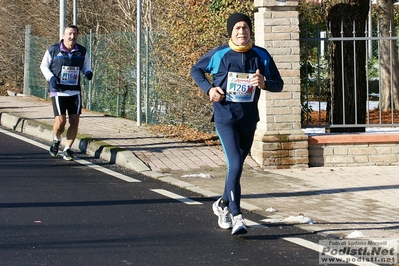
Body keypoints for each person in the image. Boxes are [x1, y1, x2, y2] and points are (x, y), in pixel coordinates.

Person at [190, 13, 283, 235]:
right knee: (236, 165)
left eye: (245, 28)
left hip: (249, 120)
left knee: (236, 167)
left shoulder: (261, 55)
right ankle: (237, 214)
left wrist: (264, 83)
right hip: (225, 118)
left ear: (251, 31)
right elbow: (196, 70)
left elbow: (278, 84)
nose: (242, 32)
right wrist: (210, 89)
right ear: (231, 32)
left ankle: (221, 204)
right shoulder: (220, 54)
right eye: (237, 29)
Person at [40, 25, 93, 161]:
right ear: (63, 35)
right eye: (69, 34)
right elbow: (44, 66)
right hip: (58, 91)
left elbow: (86, 65)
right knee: (61, 121)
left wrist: (87, 72)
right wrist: (51, 78)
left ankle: (68, 149)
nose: (72, 37)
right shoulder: (53, 50)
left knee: (75, 121)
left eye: (74, 34)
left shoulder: (81, 51)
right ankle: (56, 139)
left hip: (74, 91)